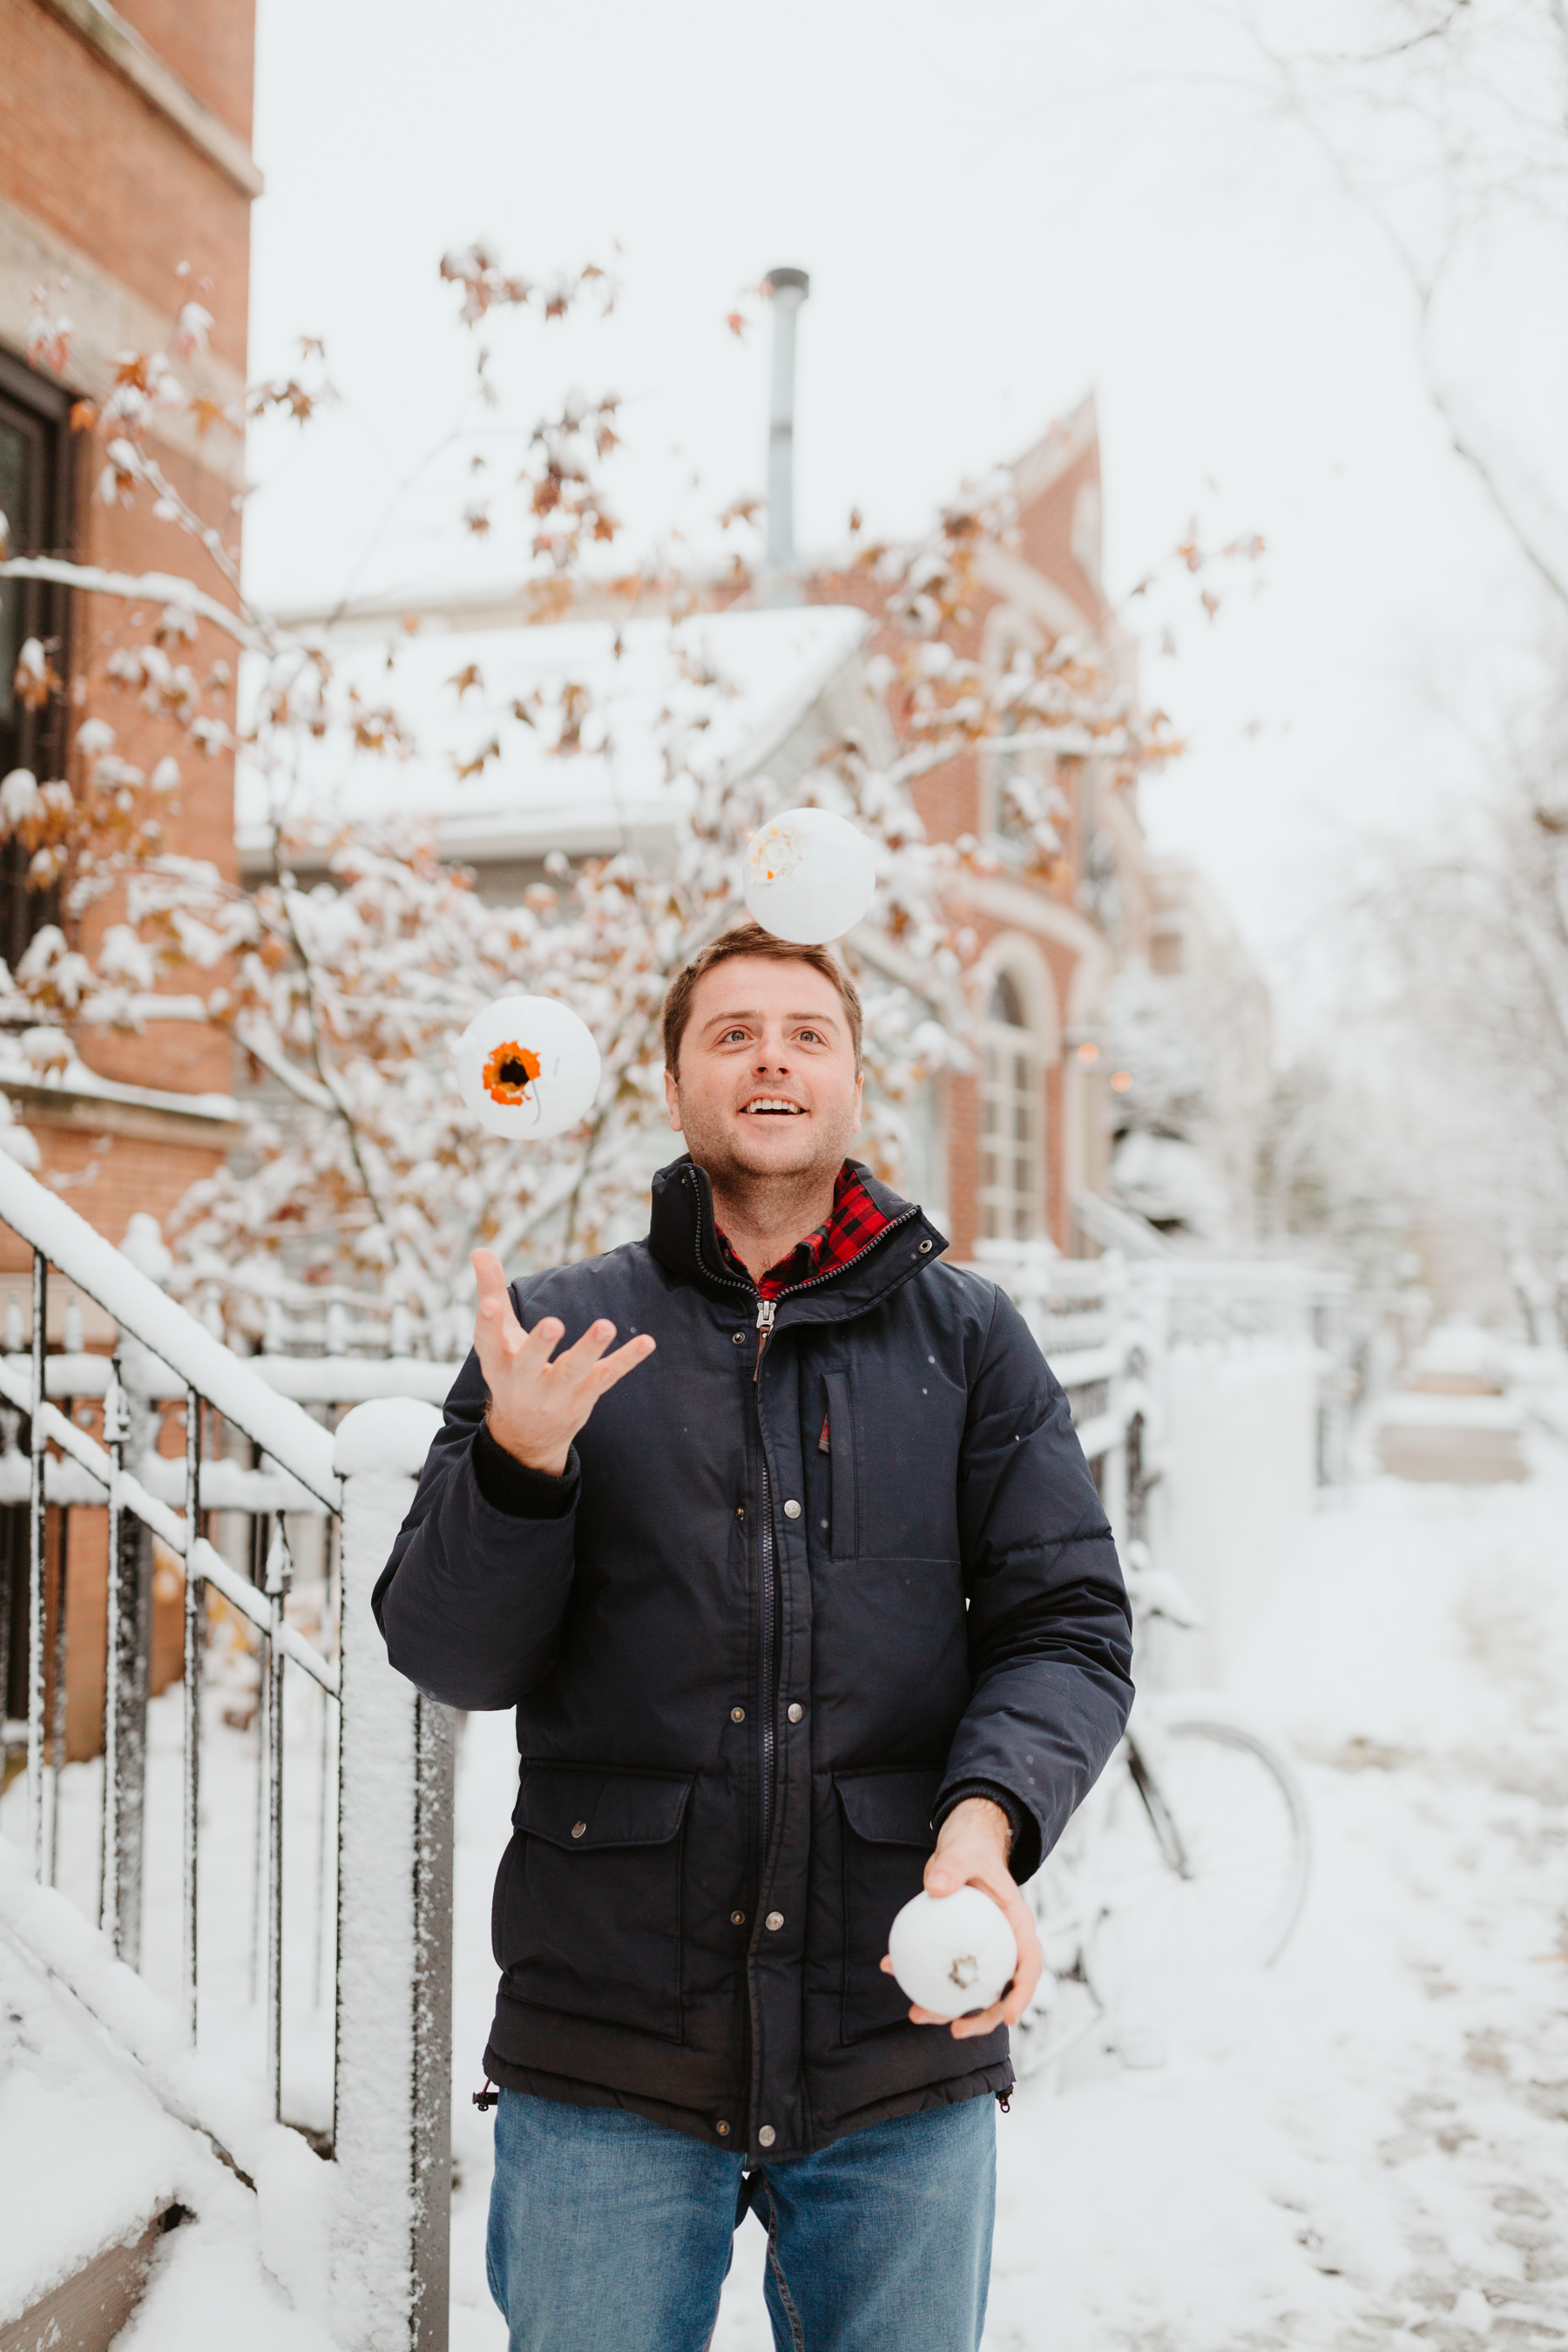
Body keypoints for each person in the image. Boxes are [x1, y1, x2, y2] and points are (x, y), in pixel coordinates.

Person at [374, 922, 1133, 2352]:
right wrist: (517, 1468)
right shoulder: (555, 1333)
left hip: (898, 2038)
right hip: (607, 2049)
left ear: (854, 1083)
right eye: (731, 1033)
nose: (771, 1053)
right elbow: (448, 1659)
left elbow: (1068, 1623)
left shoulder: (970, 1343)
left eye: (806, 1031)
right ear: (674, 1087)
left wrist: (988, 1824)